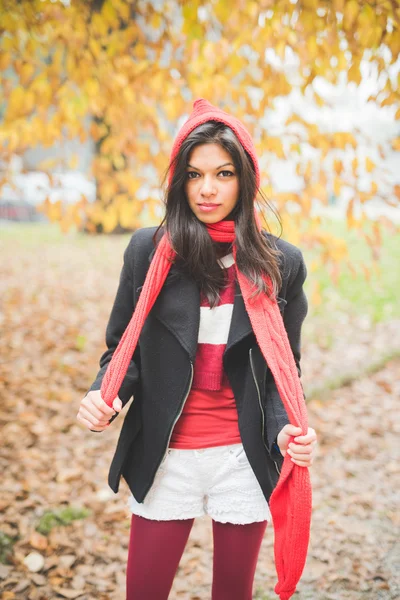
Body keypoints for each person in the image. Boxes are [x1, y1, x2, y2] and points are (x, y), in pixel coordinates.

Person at [77, 98, 318, 600]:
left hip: (242, 455)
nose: (208, 189)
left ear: (244, 179)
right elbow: (124, 348)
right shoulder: (149, 251)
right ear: (179, 181)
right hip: (167, 451)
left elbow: (281, 371)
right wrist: (107, 395)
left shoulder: (281, 264)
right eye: (194, 174)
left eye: (223, 173)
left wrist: (287, 432)